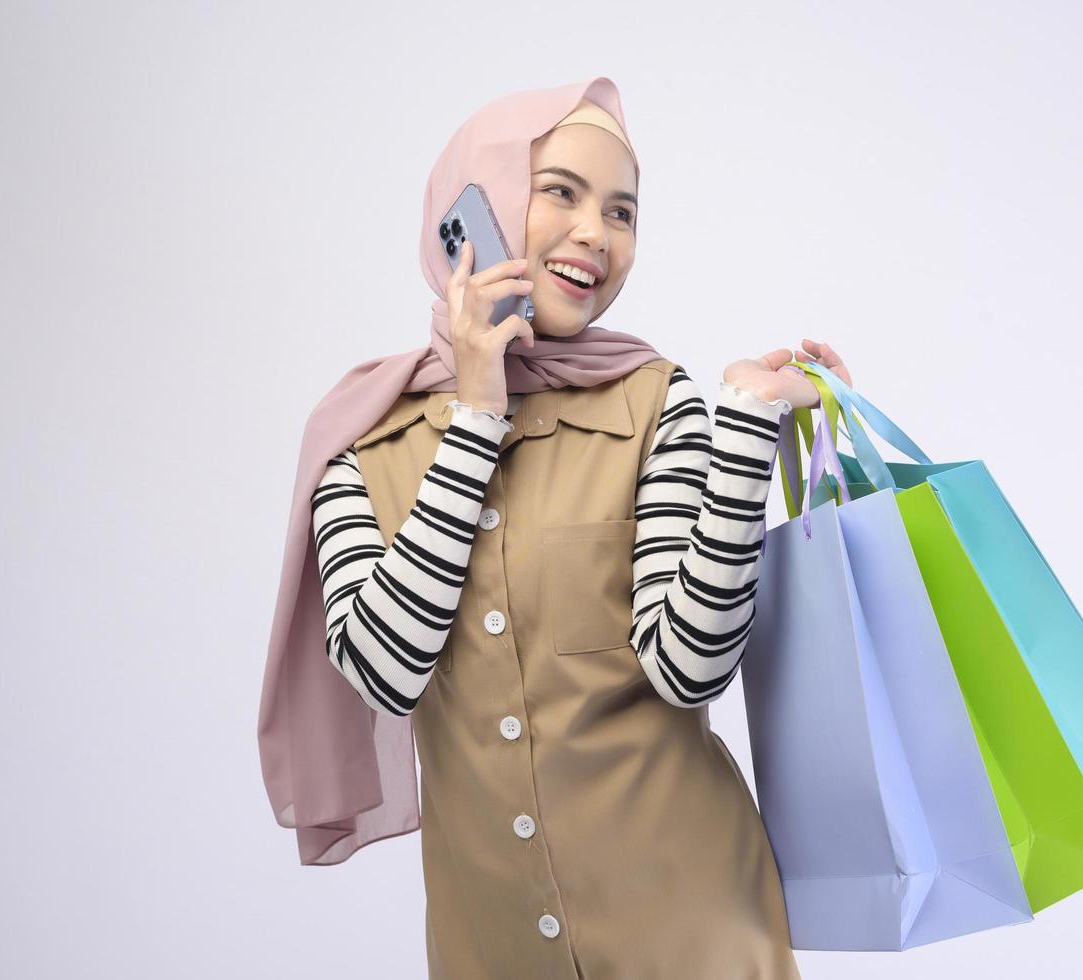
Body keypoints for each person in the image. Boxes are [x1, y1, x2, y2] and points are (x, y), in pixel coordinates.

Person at [259, 76, 851, 980]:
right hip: (489, 949)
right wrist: (475, 415)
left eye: (622, 212)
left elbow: (690, 668)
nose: (595, 234)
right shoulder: (359, 444)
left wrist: (744, 428)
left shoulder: (658, 404)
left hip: (693, 932)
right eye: (559, 192)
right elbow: (385, 666)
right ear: (472, 212)